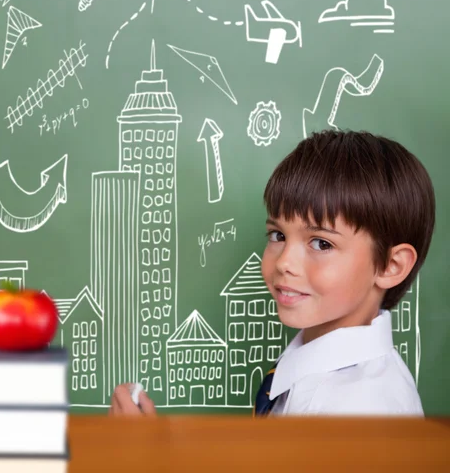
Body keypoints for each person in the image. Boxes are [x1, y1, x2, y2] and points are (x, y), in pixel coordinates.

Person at [108, 130, 435, 416]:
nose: (283, 263)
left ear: (391, 266)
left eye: (321, 243)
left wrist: (143, 458)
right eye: (278, 236)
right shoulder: (314, 369)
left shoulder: (358, 410)